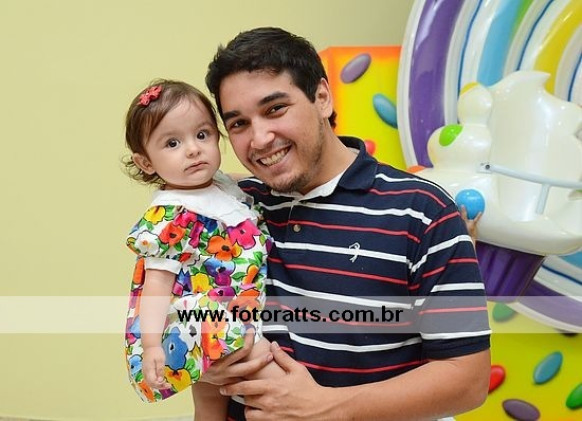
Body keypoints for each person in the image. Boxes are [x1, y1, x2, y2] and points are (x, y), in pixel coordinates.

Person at [202, 27, 492, 420]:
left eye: (275, 109)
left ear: (322, 97)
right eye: (238, 124)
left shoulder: (422, 211)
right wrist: (202, 363)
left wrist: (324, 408)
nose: (260, 138)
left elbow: (467, 379)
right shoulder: (235, 209)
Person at [122, 80, 284, 420]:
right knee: (268, 372)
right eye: (172, 143)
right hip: (210, 319)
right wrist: (151, 346)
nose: (193, 150)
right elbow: (155, 286)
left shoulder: (221, 185)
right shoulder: (172, 215)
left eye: (202, 135)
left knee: (210, 402)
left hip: (236, 311)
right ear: (146, 162)